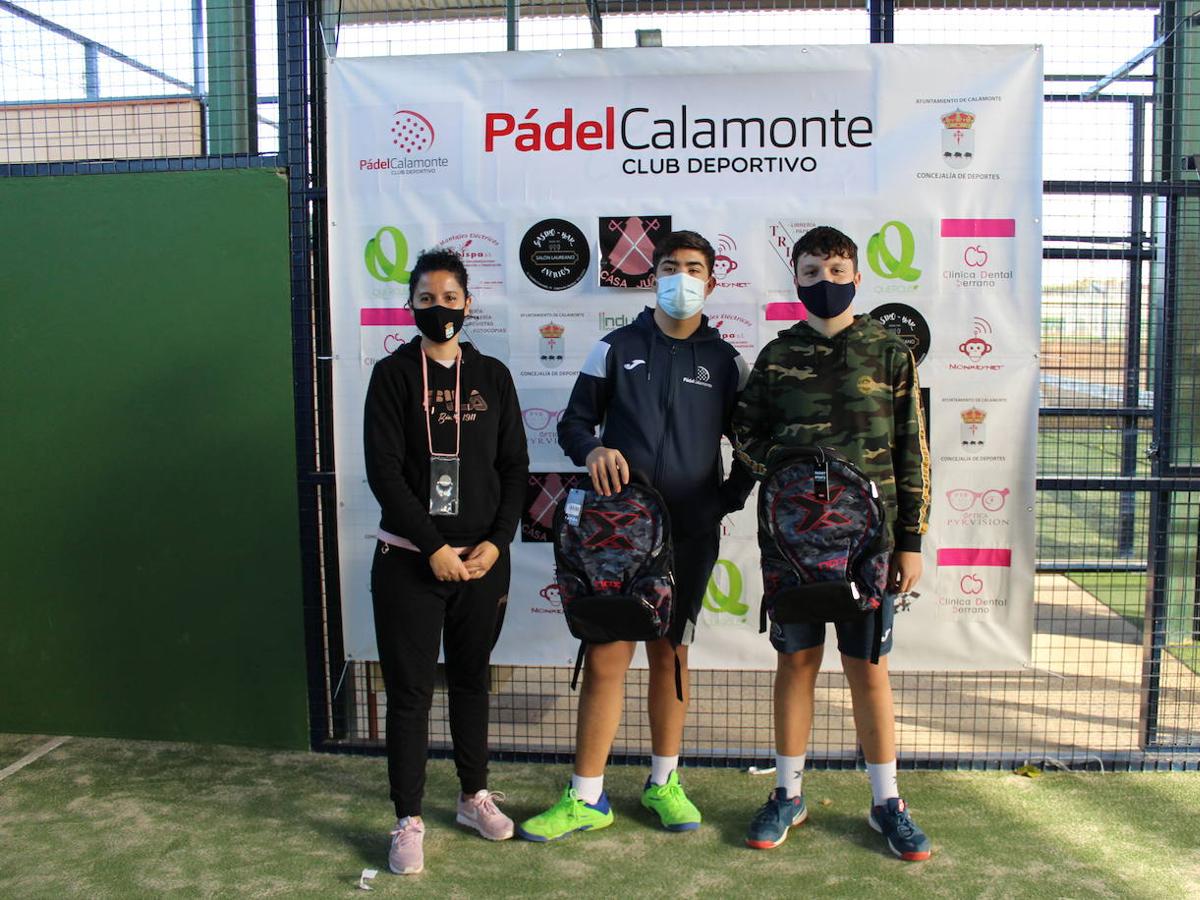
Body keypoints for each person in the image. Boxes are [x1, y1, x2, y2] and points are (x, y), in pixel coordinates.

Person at [517, 230, 755, 841]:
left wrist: (724, 499)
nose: (682, 278)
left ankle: (664, 783)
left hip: (691, 536)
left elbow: (753, 442)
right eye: (671, 267)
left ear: (711, 280)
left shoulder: (727, 360)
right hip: (619, 533)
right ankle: (588, 797)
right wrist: (593, 448)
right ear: (654, 277)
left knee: (670, 654)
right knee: (605, 656)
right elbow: (573, 423)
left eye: (694, 268)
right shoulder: (615, 347)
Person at [731, 225, 933, 861]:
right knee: (795, 663)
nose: (826, 282)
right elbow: (743, 432)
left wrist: (911, 541)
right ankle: (788, 794)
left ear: (857, 275)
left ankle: (886, 803)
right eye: (812, 271)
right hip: (792, 543)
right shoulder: (776, 354)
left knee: (868, 669)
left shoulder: (889, 352)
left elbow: (912, 450)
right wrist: (788, 471)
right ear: (796, 278)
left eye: (837, 269)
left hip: (868, 544)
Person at [363, 248, 529, 874]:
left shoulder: (492, 376)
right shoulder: (392, 376)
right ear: (411, 305)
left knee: (471, 680)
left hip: (484, 563)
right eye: (426, 299)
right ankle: (407, 817)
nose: (439, 308)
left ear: (468, 302)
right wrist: (432, 548)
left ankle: (472, 795)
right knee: (408, 694)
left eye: (450, 297)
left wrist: (498, 540)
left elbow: (514, 467)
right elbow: (383, 472)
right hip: (410, 561)